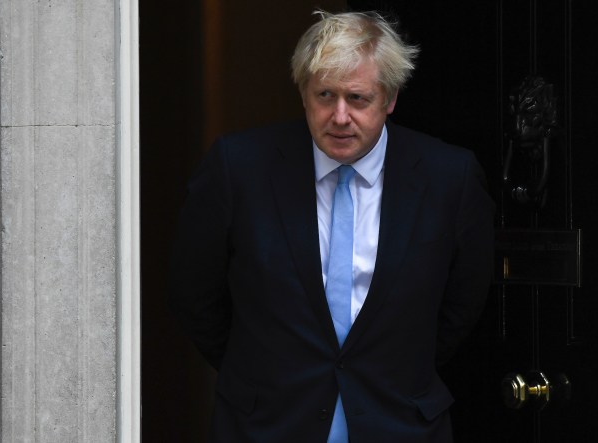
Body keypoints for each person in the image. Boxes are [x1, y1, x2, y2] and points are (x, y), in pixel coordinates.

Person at [169, 10, 494, 442]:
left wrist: (396, 368)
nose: (340, 116)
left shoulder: (449, 178)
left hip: (398, 422)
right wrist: (262, 372)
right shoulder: (239, 168)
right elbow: (194, 293)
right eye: (325, 95)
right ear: (304, 93)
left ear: (390, 98)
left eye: (357, 98)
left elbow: (463, 301)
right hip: (267, 424)